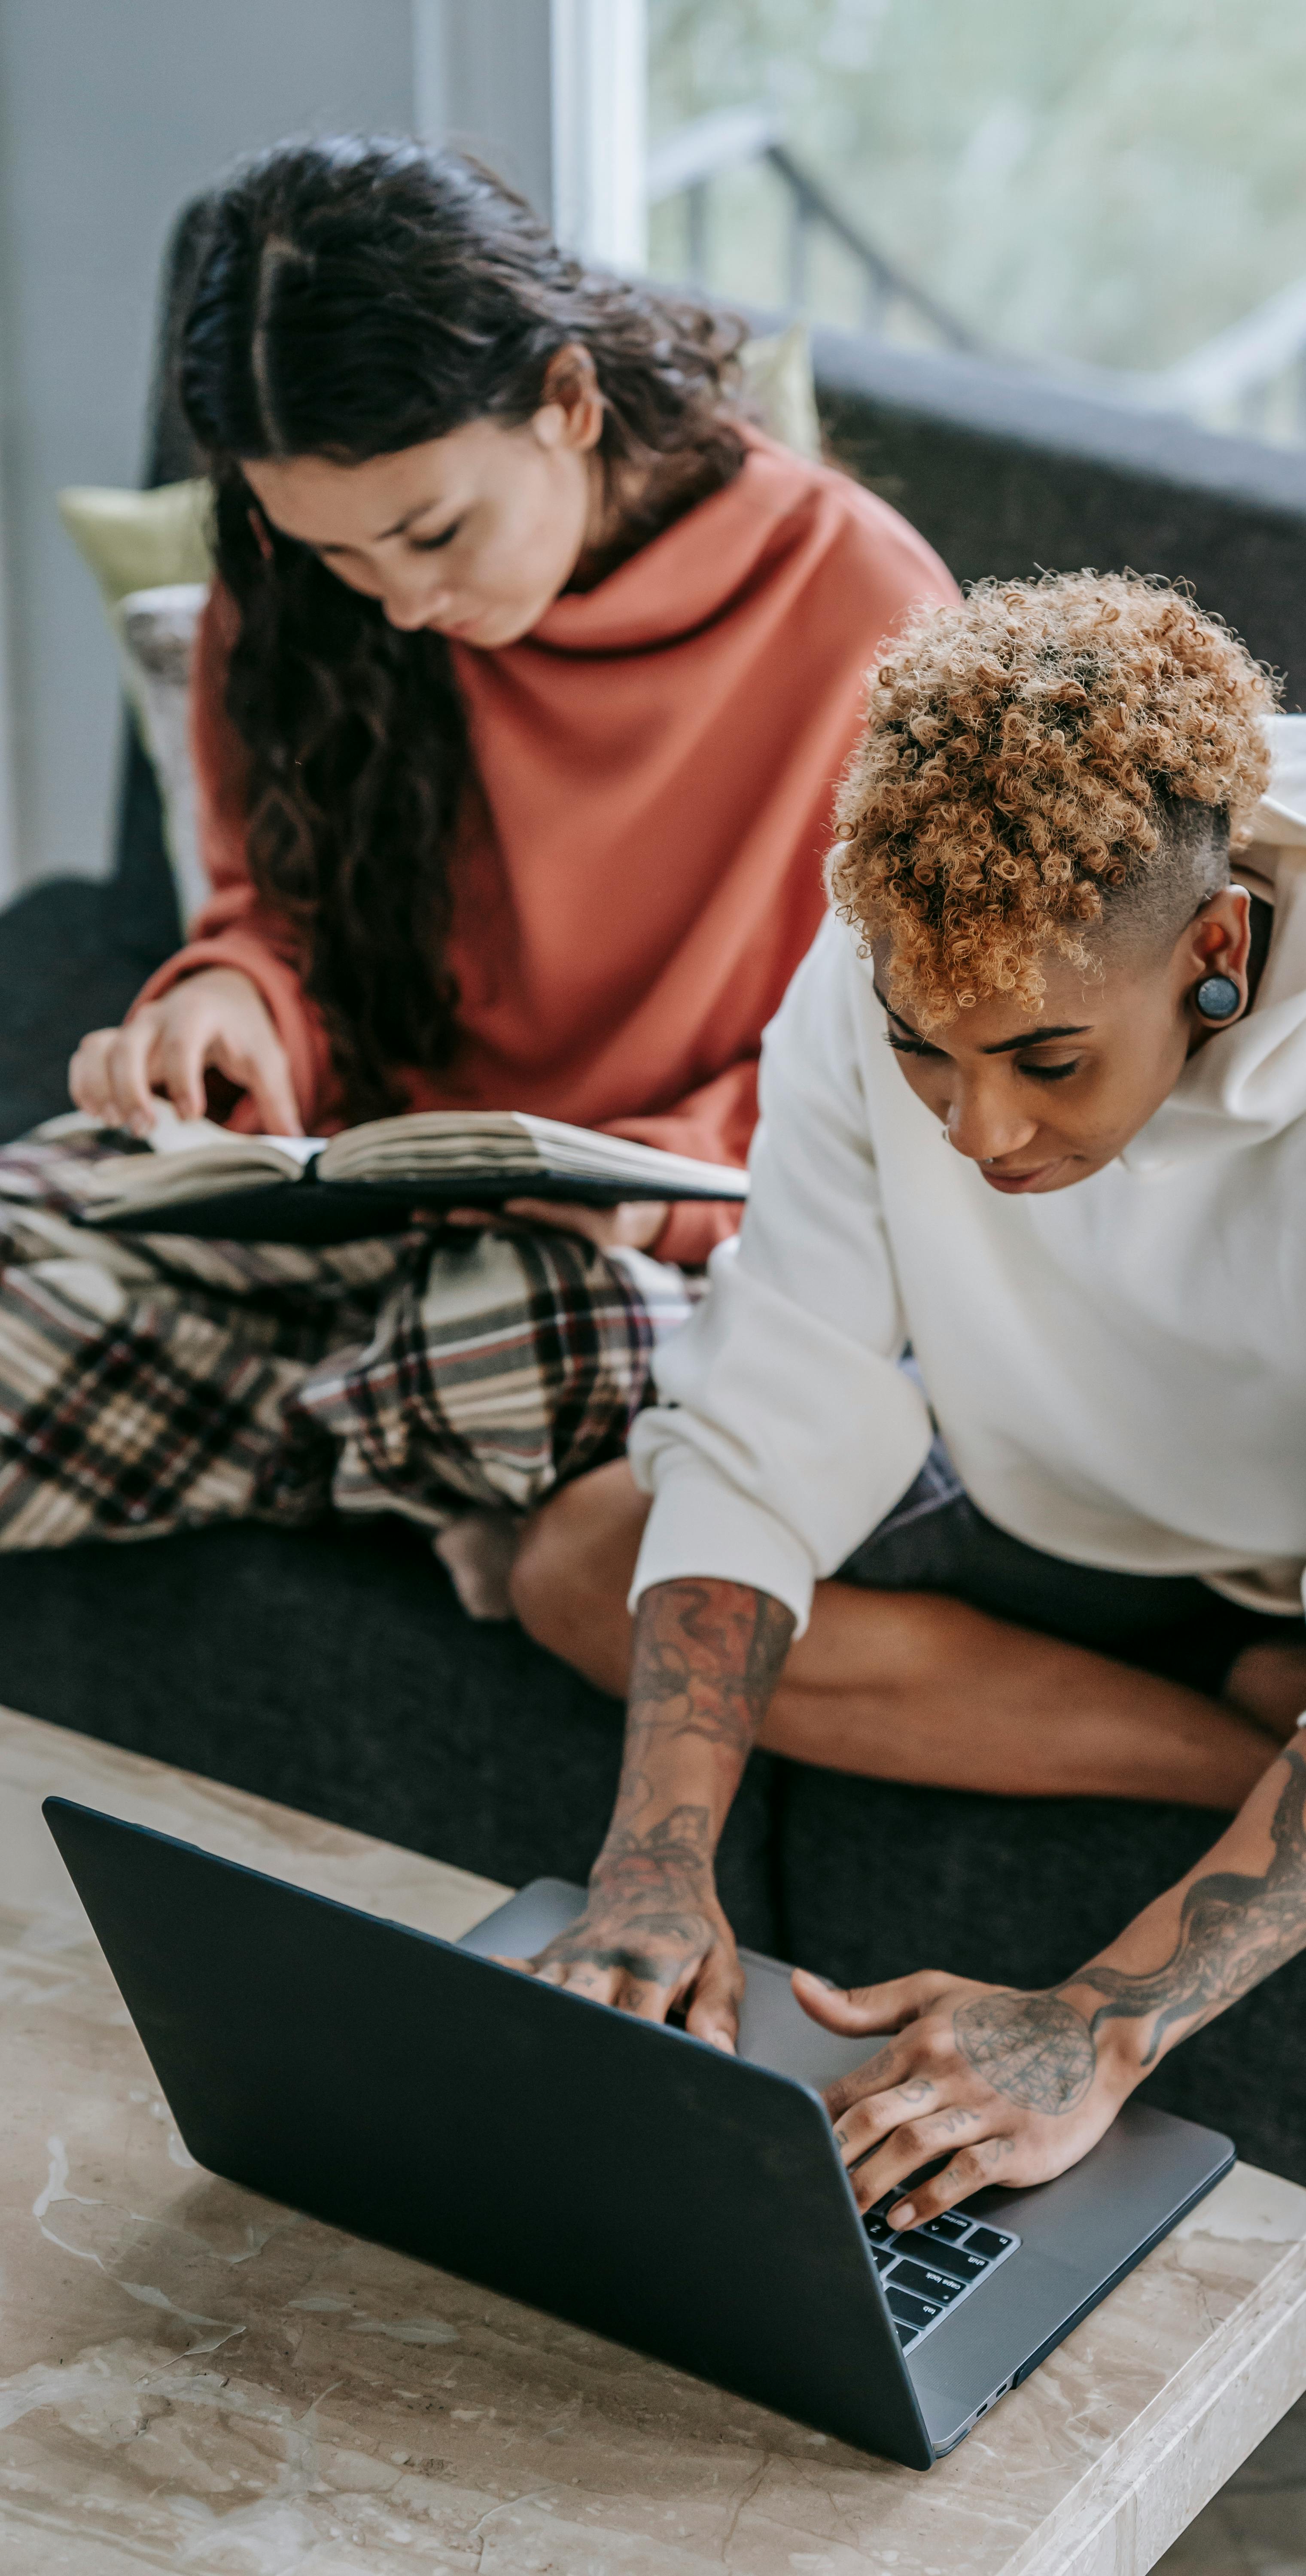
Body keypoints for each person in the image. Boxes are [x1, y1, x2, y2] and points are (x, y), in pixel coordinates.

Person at [502, 570, 1306, 2233]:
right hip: (1073, 1506)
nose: (978, 1129)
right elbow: (769, 1412)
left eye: (1047, 1061)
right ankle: (1264, 1738)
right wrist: (652, 1868)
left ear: (1212, 950)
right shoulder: (895, 969)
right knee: (584, 1562)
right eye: (930, 1051)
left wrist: (1096, 2021)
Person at [0, 135, 953, 1566]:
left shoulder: (864, 603)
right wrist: (227, 1006)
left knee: (553, 1338)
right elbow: (272, 920)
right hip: (347, 1174)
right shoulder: (291, 595)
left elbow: (919, 1051)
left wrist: (666, 1178)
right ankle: (396, 1456)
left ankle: (219, 1412)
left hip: (625, 1251)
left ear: (567, 400)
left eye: (431, 531)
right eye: (337, 557)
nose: (393, 605)